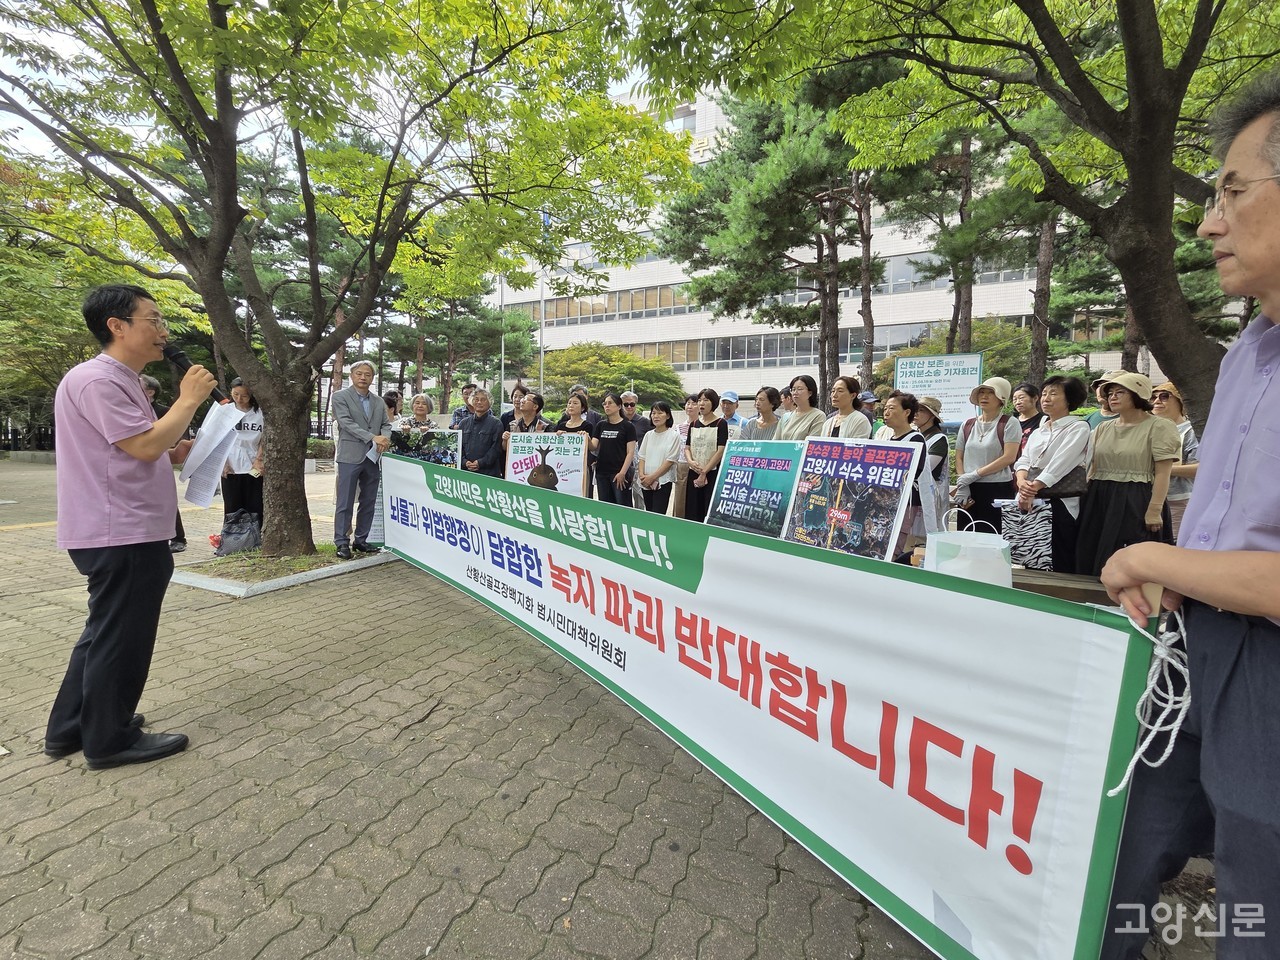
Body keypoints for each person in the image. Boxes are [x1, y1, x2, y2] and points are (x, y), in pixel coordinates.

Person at [1099, 73, 1280, 960]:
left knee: (1259, 901)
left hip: (1267, 667)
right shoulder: (1250, 346)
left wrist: (1154, 558)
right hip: (1192, 643)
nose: (1208, 222)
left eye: (1233, 192)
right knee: (1123, 853)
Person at [44, 283, 216, 769]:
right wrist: (188, 401)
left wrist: (176, 447)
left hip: (119, 525)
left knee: (104, 632)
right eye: (154, 320)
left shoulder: (116, 380)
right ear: (117, 326)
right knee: (123, 635)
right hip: (120, 528)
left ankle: (71, 727)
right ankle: (109, 738)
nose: (163, 331)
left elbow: (139, 446)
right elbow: (141, 447)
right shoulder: (100, 380)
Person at [1075, 372, 1180, 576]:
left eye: (1120, 392)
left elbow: (1163, 473)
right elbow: (1089, 465)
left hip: (1136, 498)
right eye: (1110, 393)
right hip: (1098, 496)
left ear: (1137, 394)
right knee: (1094, 552)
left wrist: (1154, 510)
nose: (1112, 397)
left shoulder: (1159, 426)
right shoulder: (1103, 428)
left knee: (1131, 555)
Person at [1012, 376, 1092, 573]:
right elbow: (1023, 460)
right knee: (1030, 553)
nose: (1046, 398)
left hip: (1060, 500)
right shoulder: (1039, 430)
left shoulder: (1078, 427)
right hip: (1031, 496)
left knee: (1059, 555)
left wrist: (1033, 488)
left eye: (1054, 393)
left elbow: (1061, 464)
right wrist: (1021, 481)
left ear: (1070, 399)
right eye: (1045, 393)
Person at [331, 359, 392, 559]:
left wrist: (384, 439)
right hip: (350, 455)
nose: (363, 377)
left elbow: (385, 424)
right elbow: (346, 423)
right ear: (352, 375)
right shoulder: (340, 396)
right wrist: (373, 437)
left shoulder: (378, 401)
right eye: (359, 374)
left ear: (372, 378)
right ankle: (341, 542)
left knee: (369, 500)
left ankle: (361, 540)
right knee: (345, 501)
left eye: (367, 374)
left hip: (373, 457)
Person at [953, 376, 1021, 533]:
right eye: (981, 392)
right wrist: (963, 481)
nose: (984, 396)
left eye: (990, 393)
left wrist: (975, 474)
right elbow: (959, 456)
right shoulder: (968, 424)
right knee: (966, 534)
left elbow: (1009, 457)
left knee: (993, 535)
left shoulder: (1009, 423)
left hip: (997, 488)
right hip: (969, 489)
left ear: (1001, 398)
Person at [140, 373, 188, 553]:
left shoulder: (164, 412)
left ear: (150, 392)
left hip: (159, 463)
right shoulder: (130, 410)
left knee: (165, 500)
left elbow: (173, 439)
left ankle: (178, 538)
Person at [880, 390, 927, 558]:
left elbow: (914, 472)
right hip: (886, 501)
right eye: (885, 408)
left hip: (904, 503)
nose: (886, 412)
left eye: (891, 408)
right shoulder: (889, 440)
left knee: (895, 546)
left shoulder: (915, 439)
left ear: (907, 412)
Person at [1151, 381, 1199, 539]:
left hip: (1177, 500)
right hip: (1147, 498)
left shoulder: (1190, 430)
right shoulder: (1148, 429)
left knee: (1173, 545)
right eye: (1153, 397)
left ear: (1180, 401)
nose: (1157, 400)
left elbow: (1200, 469)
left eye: (1164, 396)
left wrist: (1163, 470)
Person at [221, 378, 265, 532]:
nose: (239, 399)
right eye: (235, 394)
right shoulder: (225, 411)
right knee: (232, 506)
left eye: (244, 396)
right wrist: (223, 463)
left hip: (253, 466)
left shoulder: (260, 413)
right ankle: (232, 538)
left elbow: (265, 438)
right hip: (231, 466)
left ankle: (254, 538)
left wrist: (259, 460)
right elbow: (217, 439)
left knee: (255, 505)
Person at [684, 387, 729, 522]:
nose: (702, 403)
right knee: (692, 508)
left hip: (712, 472)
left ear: (714, 403)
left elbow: (720, 450)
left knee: (708, 507)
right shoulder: (694, 424)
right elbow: (687, 447)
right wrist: (691, 462)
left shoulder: (721, 423)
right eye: (700, 400)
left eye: (706, 400)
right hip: (694, 470)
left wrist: (704, 472)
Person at [591, 392, 637, 506]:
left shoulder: (628, 426)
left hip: (619, 473)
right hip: (602, 473)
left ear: (619, 406)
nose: (607, 406)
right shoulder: (601, 425)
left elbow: (630, 452)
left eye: (610, 403)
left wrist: (622, 473)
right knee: (606, 507)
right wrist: (584, 437)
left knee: (622, 507)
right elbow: (593, 446)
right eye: (605, 403)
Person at [913, 395, 951, 534]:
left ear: (932, 415)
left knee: (927, 535)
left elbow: (925, 468)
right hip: (916, 494)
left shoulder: (938, 439)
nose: (916, 414)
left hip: (929, 493)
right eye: (915, 410)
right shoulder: (916, 436)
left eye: (922, 410)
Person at [636, 400, 682, 514]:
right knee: (649, 512)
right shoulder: (648, 435)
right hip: (645, 481)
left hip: (662, 481)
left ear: (668, 416)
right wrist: (642, 476)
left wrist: (652, 477)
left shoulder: (674, 435)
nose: (655, 416)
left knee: (658, 514)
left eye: (660, 413)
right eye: (653, 413)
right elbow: (641, 456)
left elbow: (670, 461)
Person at [459, 388, 504, 478]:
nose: (479, 402)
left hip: (488, 473)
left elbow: (496, 448)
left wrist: (480, 463)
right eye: (476, 399)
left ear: (489, 403)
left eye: (483, 400)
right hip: (466, 473)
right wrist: (464, 462)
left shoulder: (496, 423)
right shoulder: (463, 423)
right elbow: (458, 447)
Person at [621, 390, 652, 508]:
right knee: (623, 499)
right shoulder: (617, 421)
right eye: (626, 404)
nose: (629, 407)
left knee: (640, 498)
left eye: (632, 404)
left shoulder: (645, 422)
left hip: (639, 465)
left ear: (636, 404)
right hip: (622, 465)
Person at [669, 394, 700, 518]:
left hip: (698, 465)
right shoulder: (679, 427)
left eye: (694, 403)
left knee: (696, 498)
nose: (690, 406)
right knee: (680, 497)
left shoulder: (704, 425)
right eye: (688, 403)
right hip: (682, 465)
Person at [776, 375, 826, 441]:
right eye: (793, 390)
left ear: (810, 393)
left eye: (799, 389)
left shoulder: (818, 416)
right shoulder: (786, 417)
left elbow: (813, 443)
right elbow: (776, 441)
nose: (795, 393)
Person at [1011, 381, 1044, 454]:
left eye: (1021, 398)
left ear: (1035, 398)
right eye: (1015, 399)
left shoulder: (1045, 421)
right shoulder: (1011, 422)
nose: (1017, 402)